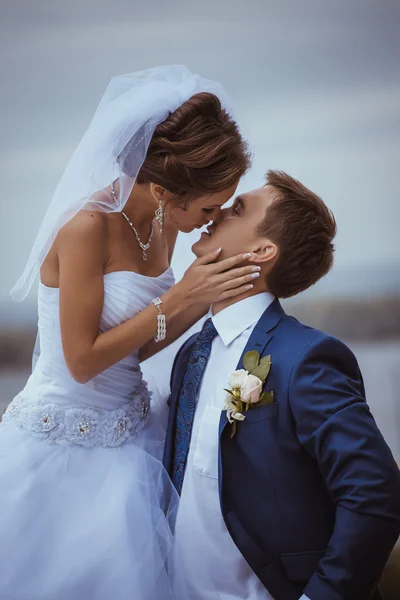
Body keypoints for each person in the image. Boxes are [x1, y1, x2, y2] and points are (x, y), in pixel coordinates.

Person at [0, 66, 255, 600]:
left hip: (133, 433)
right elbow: (83, 360)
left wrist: (203, 297)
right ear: (162, 190)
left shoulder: (161, 223)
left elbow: (137, 346)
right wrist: (180, 296)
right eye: (207, 208)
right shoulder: (85, 227)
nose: (209, 221)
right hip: (63, 444)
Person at [163, 170, 400, 600]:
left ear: (262, 250)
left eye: (237, 209)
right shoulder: (190, 356)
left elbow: (375, 491)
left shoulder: (305, 359)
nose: (215, 212)